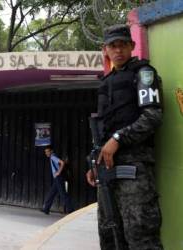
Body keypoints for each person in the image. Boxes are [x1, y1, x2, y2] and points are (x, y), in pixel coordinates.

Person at [86, 24, 163, 250]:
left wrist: (118, 139)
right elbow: (102, 127)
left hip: (134, 168)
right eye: (113, 46)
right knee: (110, 235)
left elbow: (153, 116)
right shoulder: (106, 82)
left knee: (141, 236)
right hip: (106, 169)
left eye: (123, 45)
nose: (118, 51)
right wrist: (94, 161)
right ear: (105, 50)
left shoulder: (144, 74)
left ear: (132, 46)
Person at [41, 145, 74, 215]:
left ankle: (71, 210)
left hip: (59, 178)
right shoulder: (52, 157)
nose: (46, 153)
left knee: (63, 194)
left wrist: (58, 172)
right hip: (57, 178)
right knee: (51, 193)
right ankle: (46, 208)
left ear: (51, 151)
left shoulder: (53, 157)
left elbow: (62, 163)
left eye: (47, 151)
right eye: (45, 152)